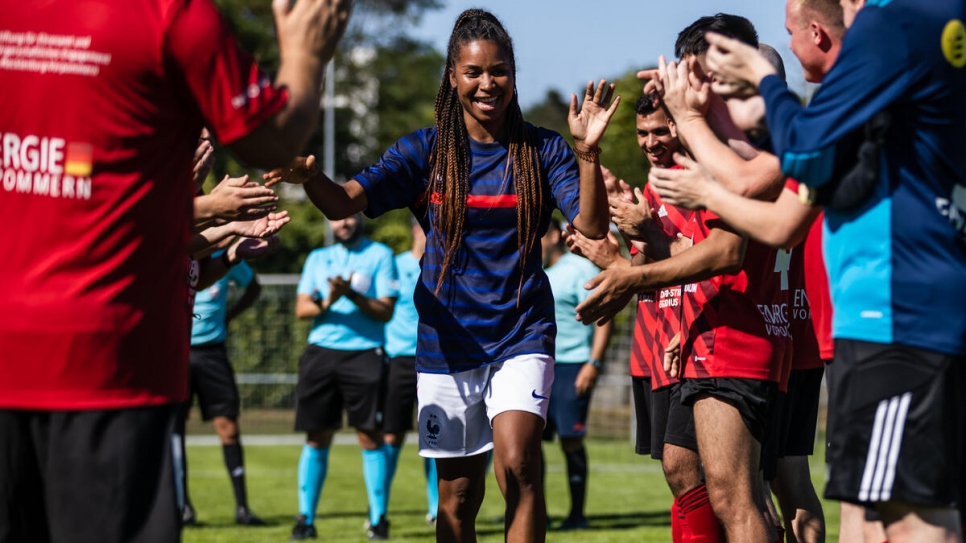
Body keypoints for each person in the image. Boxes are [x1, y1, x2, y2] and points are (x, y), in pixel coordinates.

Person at [0, 0, 351, 540]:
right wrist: (308, 51)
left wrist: (226, 238)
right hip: (105, 369)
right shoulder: (168, 16)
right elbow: (274, 138)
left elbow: (99, 205)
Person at [266, 10, 617, 542]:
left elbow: (590, 225)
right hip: (445, 343)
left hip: (521, 332)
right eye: (473, 72)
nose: (487, 84)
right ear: (452, 77)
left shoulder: (542, 150)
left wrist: (587, 152)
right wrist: (313, 177)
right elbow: (343, 201)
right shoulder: (423, 152)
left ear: (513, 76)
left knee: (520, 464)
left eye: (498, 71)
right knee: (457, 499)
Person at [703, 1, 966, 541]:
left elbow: (802, 154)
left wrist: (760, 81)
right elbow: (812, 152)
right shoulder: (925, 32)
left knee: (915, 519)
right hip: (894, 311)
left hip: (896, 310)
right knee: (876, 514)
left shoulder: (893, 23)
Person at [291, 213, 398, 541]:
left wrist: (351, 295)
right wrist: (331, 298)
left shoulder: (380, 255)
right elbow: (302, 309)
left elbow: (386, 311)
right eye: (336, 219)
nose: (344, 223)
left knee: (369, 435)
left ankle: (378, 520)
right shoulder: (318, 258)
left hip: (365, 354)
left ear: (359, 218)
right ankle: (305, 519)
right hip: (321, 354)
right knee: (317, 436)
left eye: (349, 216)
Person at [179, 255, 264, 526]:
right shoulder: (180, 252)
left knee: (228, 426)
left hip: (213, 355)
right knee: (173, 431)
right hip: (176, 353)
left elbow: (254, 287)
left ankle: (242, 509)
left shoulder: (227, 258)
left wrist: (230, 315)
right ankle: (183, 508)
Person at [539, 219, 613, 531]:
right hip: (538, 366)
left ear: (555, 235)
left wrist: (593, 363)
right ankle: (534, 512)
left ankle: (577, 515)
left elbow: (604, 315)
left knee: (570, 441)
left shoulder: (580, 270)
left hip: (573, 366)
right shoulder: (531, 270)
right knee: (530, 443)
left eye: (538, 237)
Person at [383, 219, 439, 527]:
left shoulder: (444, 265)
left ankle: (435, 508)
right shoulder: (394, 265)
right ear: (416, 231)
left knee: (435, 436)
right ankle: (379, 511)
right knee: (392, 434)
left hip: (436, 359)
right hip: (400, 360)